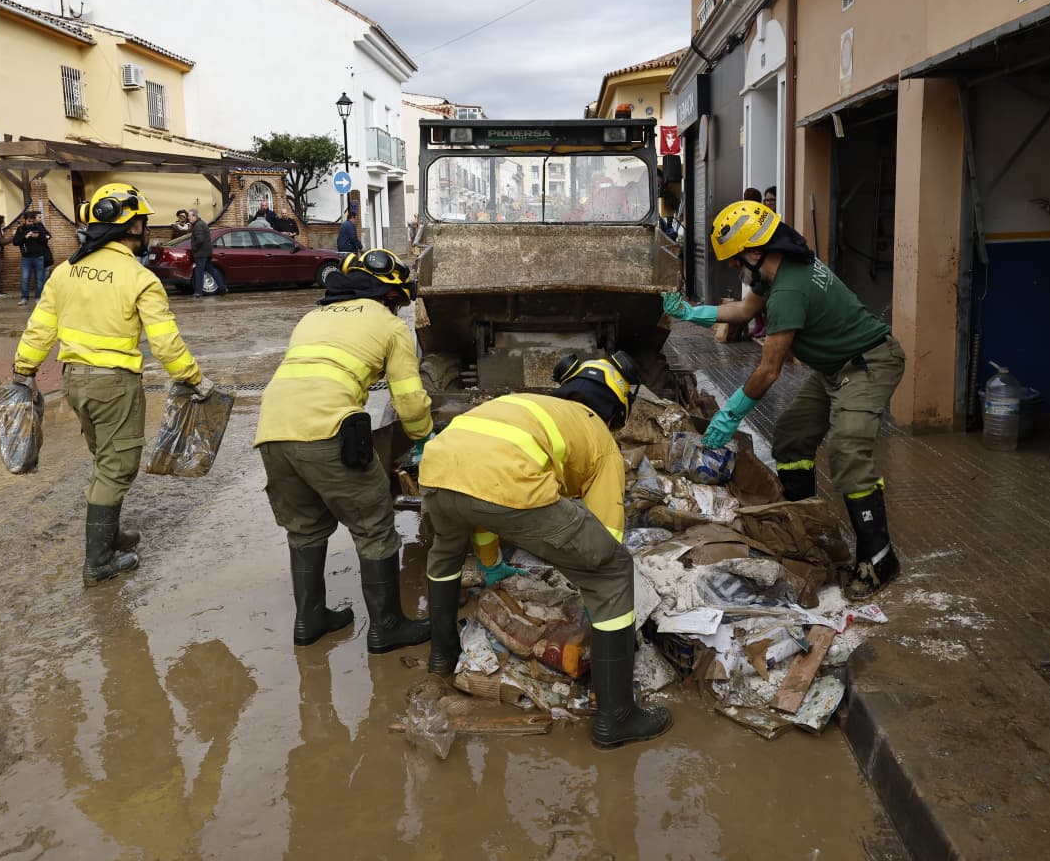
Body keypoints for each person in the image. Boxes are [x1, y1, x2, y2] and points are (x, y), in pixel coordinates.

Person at [419, 352, 671, 750]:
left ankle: (441, 657)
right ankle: (616, 717)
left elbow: (481, 503)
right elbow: (606, 538)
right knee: (613, 571)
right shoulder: (600, 437)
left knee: (445, 552)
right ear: (617, 405)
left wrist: (492, 566)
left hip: (436, 474)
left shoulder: (525, 404)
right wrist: (599, 597)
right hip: (505, 483)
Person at [662, 200, 906, 599]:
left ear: (755, 252)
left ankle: (879, 558)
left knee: (847, 452)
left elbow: (768, 370)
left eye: (734, 258)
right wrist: (690, 313)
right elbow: (743, 310)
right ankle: (805, 529)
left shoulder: (789, 291)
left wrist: (729, 416)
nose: (731, 266)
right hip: (834, 370)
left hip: (869, 364)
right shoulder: (775, 274)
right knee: (792, 437)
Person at [12, 183, 211, 586]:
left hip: (75, 384)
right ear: (131, 227)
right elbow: (165, 342)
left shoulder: (65, 270)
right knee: (117, 468)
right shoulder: (139, 277)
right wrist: (193, 378)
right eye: (143, 221)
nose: (147, 228)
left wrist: (24, 370)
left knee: (104, 459)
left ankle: (111, 534)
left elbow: (40, 328)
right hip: (115, 385)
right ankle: (98, 562)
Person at [253, 248, 434, 653]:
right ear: (390, 296)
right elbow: (409, 401)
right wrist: (425, 440)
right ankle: (386, 626)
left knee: (304, 527)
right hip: (327, 432)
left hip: (272, 431)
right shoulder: (389, 326)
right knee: (373, 525)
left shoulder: (312, 316)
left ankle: (310, 619)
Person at [13, 209, 51, 307]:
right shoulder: (20, 229)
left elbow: (45, 241)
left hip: (39, 257)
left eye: (32, 221)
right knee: (25, 279)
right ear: (25, 220)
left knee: (39, 279)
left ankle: (38, 298)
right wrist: (25, 237)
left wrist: (38, 236)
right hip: (26, 258)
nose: (31, 223)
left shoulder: (38, 227)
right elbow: (15, 242)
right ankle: (24, 298)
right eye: (29, 221)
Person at [188, 210, 225, 297]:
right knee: (211, 270)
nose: (188, 217)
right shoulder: (201, 224)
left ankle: (198, 292)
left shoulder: (198, 225)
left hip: (201, 253)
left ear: (194, 216)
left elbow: (200, 240)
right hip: (206, 252)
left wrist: (194, 248)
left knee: (199, 272)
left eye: (189, 216)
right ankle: (223, 288)